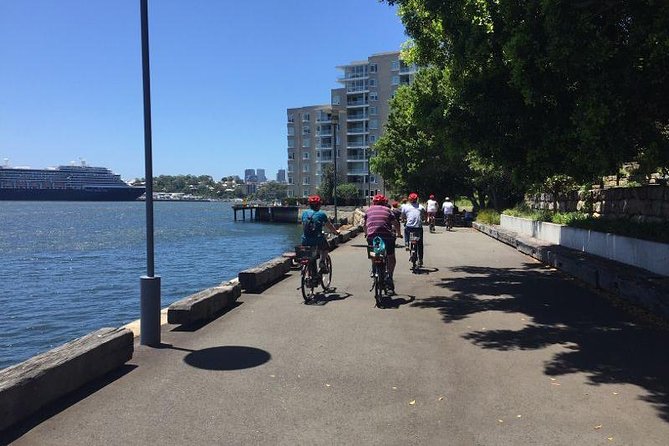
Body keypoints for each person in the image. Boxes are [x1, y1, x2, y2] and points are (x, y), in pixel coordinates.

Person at [364, 194, 402, 292]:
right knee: (391, 257)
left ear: (374, 202)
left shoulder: (368, 210)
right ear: (385, 202)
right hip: (387, 237)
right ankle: (389, 276)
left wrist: (366, 234)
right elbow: (396, 223)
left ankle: (374, 270)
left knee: (374, 254)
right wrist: (399, 233)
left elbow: (364, 225)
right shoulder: (388, 210)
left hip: (372, 237)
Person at [301, 195, 339, 272]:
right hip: (317, 240)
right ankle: (322, 262)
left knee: (310, 256)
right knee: (326, 247)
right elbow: (330, 226)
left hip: (305, 240)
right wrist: (336, 232)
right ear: (319, 205)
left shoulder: (304, 213)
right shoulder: (321, 214)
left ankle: (307, 273)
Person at [401, 192, 425, 267]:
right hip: (418, 227)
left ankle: (407, 244)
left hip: (409, 227)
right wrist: (424, 219)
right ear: (417, 199)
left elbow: (403, 216)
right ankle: (420, 259)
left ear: (409, 199)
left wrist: (403, 220)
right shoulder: (421, 207)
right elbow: (424, 214)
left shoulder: (405, 207)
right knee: (420, 243)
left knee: (406, 230)